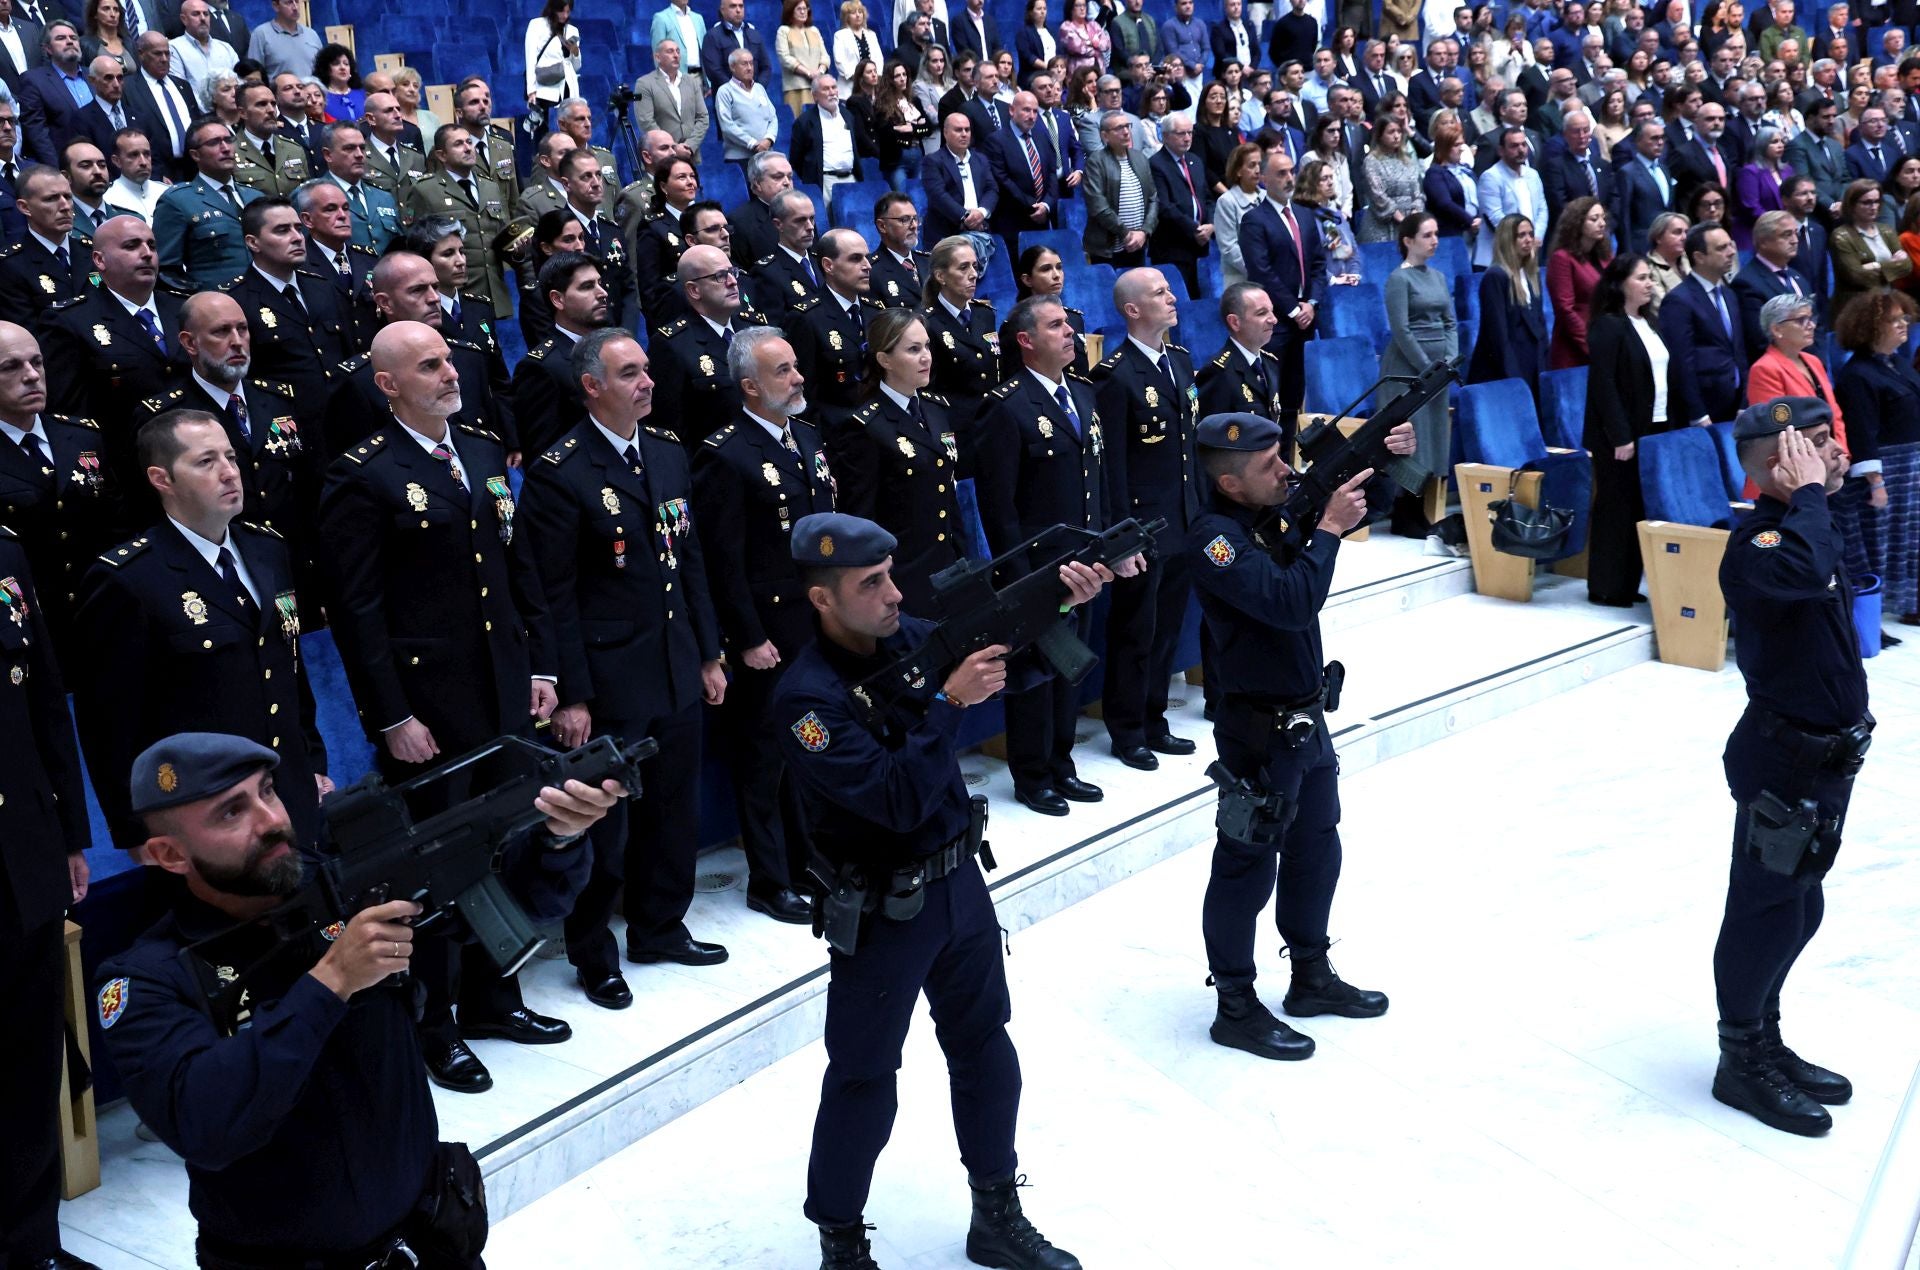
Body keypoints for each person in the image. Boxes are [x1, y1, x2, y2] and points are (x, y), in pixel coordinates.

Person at [97, 731, 617, 1265]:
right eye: (232, 812)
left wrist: (560, 837)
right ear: (169, 853)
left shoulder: (341, 883)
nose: (271, 819)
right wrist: (330, 983)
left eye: (268, 791)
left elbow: (524, 905)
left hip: (431, 1234)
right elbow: (207, 1125)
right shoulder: (147, 981)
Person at [775, 511, 1096, 1270]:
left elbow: (1017, 667)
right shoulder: (806, 701)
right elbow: (893, 798)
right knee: (863, 1079)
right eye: (871, 584)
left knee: (985, 1048)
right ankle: (841, 1244)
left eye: (891, 576)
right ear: (823, 599)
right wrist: (950, 705)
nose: (894, 594)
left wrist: (1062, 602)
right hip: (884, 911)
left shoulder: (912, 639)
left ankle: (997, 1213)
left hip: (958, 886)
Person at [319, 320, 567, 1094]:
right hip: (429, 708)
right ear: (388, 385)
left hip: (501, 688)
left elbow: (516, 565)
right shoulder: (363, 475)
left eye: (449, 360)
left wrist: (538, 664)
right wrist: (391, 716)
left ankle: (496, 998)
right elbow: (359, 612)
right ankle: (435, 1023)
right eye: (429, 366)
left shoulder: (483, 451)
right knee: (432, 867)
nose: (450, 373)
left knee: (503, 845)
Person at [1188, 410, 1411, 1063]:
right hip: (1256, 732)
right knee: (1245, 865)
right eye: (1270, 465)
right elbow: (1290, 601)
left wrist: (1382, 460)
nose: (1287, 471)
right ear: (1230, 484)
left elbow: (1375, 505)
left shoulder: (1274, 512)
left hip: (1305, 719)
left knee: (1317, 848)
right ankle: (1235, 1004)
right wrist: (1330, 531)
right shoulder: (1215, 540)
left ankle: (1310, 975)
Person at [520, 326, 728, 1005]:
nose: (647, 382)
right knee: (604, 825)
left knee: (673, 810)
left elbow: (689, 559)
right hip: (609, 678)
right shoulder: (560, 472)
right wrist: (573, 695)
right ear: (591, 386)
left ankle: (659, 926)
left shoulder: (665, 451)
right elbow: (553, 596)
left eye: (646, 370)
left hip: (673, 661)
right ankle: (593, 954)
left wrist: (708, 653)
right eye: (630, 373)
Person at [73, 402, 328, 854]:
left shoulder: (266, 549)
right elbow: (110, 725)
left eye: (230, 456)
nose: (229, 472)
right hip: (206, 814)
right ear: (162, 479)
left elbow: (287, 669)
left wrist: (311, 760)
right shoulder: (130, 579)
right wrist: (136, 831)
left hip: (289, 791)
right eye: (206, 462)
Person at [1708, 396, 1862, 1138]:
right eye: (1819, 443)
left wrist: (1816, 498)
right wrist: (1808, 497)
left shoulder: (1806, 525)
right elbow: (1804, 570)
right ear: (1780, 462)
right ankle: (1739, 1059)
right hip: (1783, 761)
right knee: (1764, 909)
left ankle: (1765, 1038)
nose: (1837, 451)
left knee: (1800, 907)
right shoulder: (1759, 543)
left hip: (1825, 759)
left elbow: (1828, 570)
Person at [975, 294, 1139, 815]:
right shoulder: (1006, 406)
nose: (1069, 332)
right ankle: (1032, 774)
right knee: (1035, 673)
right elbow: (999, 507)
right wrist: (1019, 580)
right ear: (1026, 340)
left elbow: (1101, 480)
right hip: (1039, 569)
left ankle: (1061, 762)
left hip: (1086, 561)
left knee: (1072, 666)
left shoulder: (1083, 394)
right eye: (1055, 326)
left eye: (1068, 324)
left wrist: (1113, 547)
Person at [691, 325, 832, 925]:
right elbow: (722, 559)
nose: (798, 378)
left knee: (813, 746)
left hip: (816, 624)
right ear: (750, 386)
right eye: (783, 371)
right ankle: (770, 881)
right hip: (768, 634)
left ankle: (811, 862)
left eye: (796, 366)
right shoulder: (725, 454)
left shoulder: (807, 435)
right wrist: (747, 637)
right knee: (764, 759)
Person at [1093, 267, 1198, 775]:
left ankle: (1155, 719)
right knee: (1136, 633)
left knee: (1168, 629)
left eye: (1169, 290)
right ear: (1132, 309)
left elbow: (1188, 448)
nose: (1172, 297)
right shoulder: (1115, 376)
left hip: (1182, 519)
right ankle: (1128, 729)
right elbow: (1111, 468)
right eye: (1160, 293)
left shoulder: (1180, 361)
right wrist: (1121, 539)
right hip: (1143, 528)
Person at [830, 307, 966, 611]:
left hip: (949, 568)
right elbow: (862, 518)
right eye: (913, 349)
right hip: (902, 579)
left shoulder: (935, 409)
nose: (926, 357)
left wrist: (962, 556)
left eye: (927, 346)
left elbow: (948, 492)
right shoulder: (864, 426)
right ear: (885, 360)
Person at [1583, 252, 1673, 605]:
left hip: (1653, 426)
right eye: (1641, 278)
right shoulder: (1608, 325)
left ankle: (1627, 582)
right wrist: (1620, 435)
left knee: (1639, 507)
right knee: (1616, 507)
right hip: (1619, 435)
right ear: (1620, 284)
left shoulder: (1649, 322)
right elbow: (1603, 385)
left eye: (1650, 277)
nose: (1649, 284)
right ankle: (1605, 586)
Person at [1834, 288, 1920, 628]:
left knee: (1911, 538)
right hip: (1886, 472)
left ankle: (1910, 601)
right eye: (1893, 320)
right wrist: (1876, 482)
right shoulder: (1857, 375)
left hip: (1910, 467)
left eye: (1904, 318)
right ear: (1871, 327)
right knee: (1886, 540)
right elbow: (1861, 432)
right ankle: (1878, 607)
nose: (1903, 325)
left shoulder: (1897, 363)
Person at [1380, 212, 1459, 537]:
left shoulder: (1437, 276)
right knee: (1413, 439)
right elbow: (1401, 329)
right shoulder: (1399, 279)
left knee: (1433, 438)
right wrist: (1428, 367)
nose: (1434, 241)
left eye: (1436, 234)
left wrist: (1448, 362)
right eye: (1427, 235)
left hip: (1436, 372)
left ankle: (1418, 509)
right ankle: (1404, 511)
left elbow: (1450, 322)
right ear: (1408, 240)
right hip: (1408, 371)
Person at [1659, 219, 1746, 426]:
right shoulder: (1678, 300)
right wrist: (1697, 413)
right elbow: (1682, 362)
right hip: (1705, 408)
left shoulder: (1730, 294)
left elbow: (1740, 351)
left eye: (1731, 245)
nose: (1731, 252)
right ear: (1699, 257)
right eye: (1722, 248)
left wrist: (1745, 401)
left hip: (1737, 404)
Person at [920, 234, 1000, 453]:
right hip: (957, 432)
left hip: (993, 425)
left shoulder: (984, 314)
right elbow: (927, 391)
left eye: (974, 266)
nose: (973, 274)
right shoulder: (926, 323)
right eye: (963, 268)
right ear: (941, 276)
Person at [1468, 213, 1548, 394]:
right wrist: (1515, 380)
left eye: (1530, 234)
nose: (1528, 240)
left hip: (1532, 365)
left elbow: (1540, 325)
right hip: (1504, 373)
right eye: (1521, 235)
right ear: (1508, 240)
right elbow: (1498, 336)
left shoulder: (1532, 275)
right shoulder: (1495, 277)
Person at [1195, 280, 1284, 426]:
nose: (1273, 320)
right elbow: (1211, 434)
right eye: (1261, 313)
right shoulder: (1218, 373)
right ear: (1235, 322)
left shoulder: (1269, 363)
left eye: (1271, 311)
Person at [1731, 208, 1815, 354]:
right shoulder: (1746, 283)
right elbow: (1760, 338)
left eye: (1795, 233)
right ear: (1763, 242)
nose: (1795, 240)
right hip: (1778, 363)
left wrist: (1816, 360)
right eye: (1786, 235)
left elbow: (1816, 324)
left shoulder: (1798, 277)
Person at [1831, 178, 1912, 323]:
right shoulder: (1841, 235)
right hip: (1857, 309)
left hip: (1887, 302)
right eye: (1866, 202)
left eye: (1876, 201)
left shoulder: (1886, 230)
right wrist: (1892, 264)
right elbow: (1856, 275)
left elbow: (1906, 266)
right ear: (1852, 205)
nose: (1873, 207)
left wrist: (1875, 265)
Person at [1147, 112, 1211, 296]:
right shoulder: (1155, 164)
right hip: (1173, 247)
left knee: (1201, 299)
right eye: (1181, 133)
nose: (1187, 138)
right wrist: (1195, 229)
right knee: (1180, 300)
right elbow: (1164, 206)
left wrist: (1211, 225)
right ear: (1166, 136)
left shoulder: (1195, 161)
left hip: (1200, 245)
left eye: (1190, 132)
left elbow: (1207, 198)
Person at [1546, 193, 1612, 367]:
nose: (1602, 223)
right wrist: (1591, 345)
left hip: (1606, 338)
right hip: (1576, 349)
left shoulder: (1605, 257)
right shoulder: (1562, 258)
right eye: (1594, 219)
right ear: (1577, 223)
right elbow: (1565, 310)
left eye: (1603, 218)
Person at [1082, 107, 1155, 266]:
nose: (1126, 132)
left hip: (1138, 243)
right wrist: (1126, 233)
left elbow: (1153, 199)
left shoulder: (1140, 158)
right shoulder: (1096, 161)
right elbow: (1098, 206)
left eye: (1127, 126)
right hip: (1107, 249)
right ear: (1105, 136)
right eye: (1119, 128)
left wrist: (1144, 232)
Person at [1001, 244, 1087, 376]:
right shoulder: (1015, 325)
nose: (1056, 275)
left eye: (1059, 267)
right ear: (1027, 280)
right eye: (1046, 269)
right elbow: (1014, 376)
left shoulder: (1074, 318)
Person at [1360, 112, 1422, 242]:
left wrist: (1415, 213)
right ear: (1380, 135)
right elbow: (1378, 195)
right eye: (1391, 132)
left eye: (1399, 131)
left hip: (1410, 225)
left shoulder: (1407, 160)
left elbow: (1417, 192)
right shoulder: (1372, 161)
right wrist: (1401, 218)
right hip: (1382, 228)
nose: (1396, 136)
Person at [871, 57, 930, 191]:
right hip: (897, 157)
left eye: (904, 74)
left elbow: (928, 128)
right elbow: (887, 133)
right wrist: (917, 127)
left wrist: (911, 128)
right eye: (897, 76)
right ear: (889, 80)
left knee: (920, 196)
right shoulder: (881, 104)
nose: (903, 79)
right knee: (901, 197)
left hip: (918, 153)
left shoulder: (914, 100)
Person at [1732, 122, 1791, 250]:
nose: (1780, 145)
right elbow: (1751, 207)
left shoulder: (1788, 170)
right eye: (1774, 142)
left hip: (1787, 231)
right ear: (1762, 145)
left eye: (1782, 141)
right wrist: (1778, 224)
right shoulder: (1750, 172)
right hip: (1757, 234)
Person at [1423, 119, 1483, 242]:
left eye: (1462, 144)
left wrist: (1480, 219)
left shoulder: (1466, 169)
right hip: (1451, 234)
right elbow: (1445, 203)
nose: (1461, 149)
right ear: (1444, 148)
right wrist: (1470, 221)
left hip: (1475, 231)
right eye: (1456, 145)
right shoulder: (1434, 174)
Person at [1213, 142, 1264, 286]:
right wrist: (1258, 271)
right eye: (1252, 165)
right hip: (1240, 280)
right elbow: (1229, 248)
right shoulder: (1226, 201)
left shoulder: (1267, 197)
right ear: (1238, 171)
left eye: (1259, 164)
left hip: (1270, 276)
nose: (1257, 170)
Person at [869, 190, 929, 307]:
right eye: (905, 220)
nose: (914, 226)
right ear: (882, 226)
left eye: (915, 218)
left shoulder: (929, 261)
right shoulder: (871, 271)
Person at [524, 0, 580, 118]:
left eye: (568, 12)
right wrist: (531, 91)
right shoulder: (537, 25)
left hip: (568, 90)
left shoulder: (572, 30)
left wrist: (575, 53)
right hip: (544, 90)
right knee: (544, 127)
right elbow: (530, 59)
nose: (565, 15)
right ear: (553, 8)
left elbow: (576, 67)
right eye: (561, 11)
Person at [776, 0, 828, 112]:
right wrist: (808, 73)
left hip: (818, 86)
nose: (803, 12)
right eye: (799, 9)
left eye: (805, 9)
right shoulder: (783, 31)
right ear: (790, 11)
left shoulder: (814, 30)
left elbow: (825, 56)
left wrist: (820, 72)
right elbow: (784, 57)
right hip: (796, 88)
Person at [1645, 209, 1690, 315]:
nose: (1684, 237)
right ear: (1658, 237)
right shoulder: (1648, 269)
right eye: (1677, 232)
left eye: (1686, 232)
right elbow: (1664, 307)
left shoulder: (1693, 259)